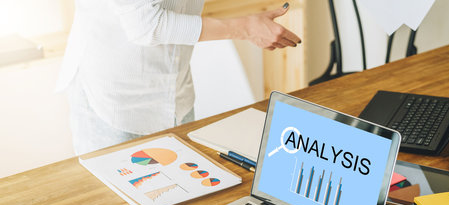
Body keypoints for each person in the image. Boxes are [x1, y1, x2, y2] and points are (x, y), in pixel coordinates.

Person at [56, 1, 301, 155]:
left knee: (178, 198)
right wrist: (245, 28)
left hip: (174, 91)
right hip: (113, 97)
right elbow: (145, 25)